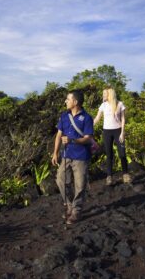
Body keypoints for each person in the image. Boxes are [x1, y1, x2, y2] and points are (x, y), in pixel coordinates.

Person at [52, 90, 94, 225]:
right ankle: (69, 204)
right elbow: (59, 135)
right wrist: (55, 152)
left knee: (80, 185)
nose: (65, 101)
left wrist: (73, 141)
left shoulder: (87, 118)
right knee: (60, 180)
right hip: (66, 155)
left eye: (68, 99)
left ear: (75, 102)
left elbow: (88, 138)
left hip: (81, 156)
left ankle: (76, 211)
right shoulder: (64, 116)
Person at [93, 87, 132, 186]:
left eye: (105, 94)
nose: (103, 95)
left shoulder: (120, 104)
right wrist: (89, 125)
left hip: (118, 131)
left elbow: (123, 119)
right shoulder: (103, 105)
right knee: (109, 154)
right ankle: (109, 176)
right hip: (107, 131)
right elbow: (97, 118)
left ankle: (125, 174)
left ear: (110, 94)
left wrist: (122, 132)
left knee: (122, 153)